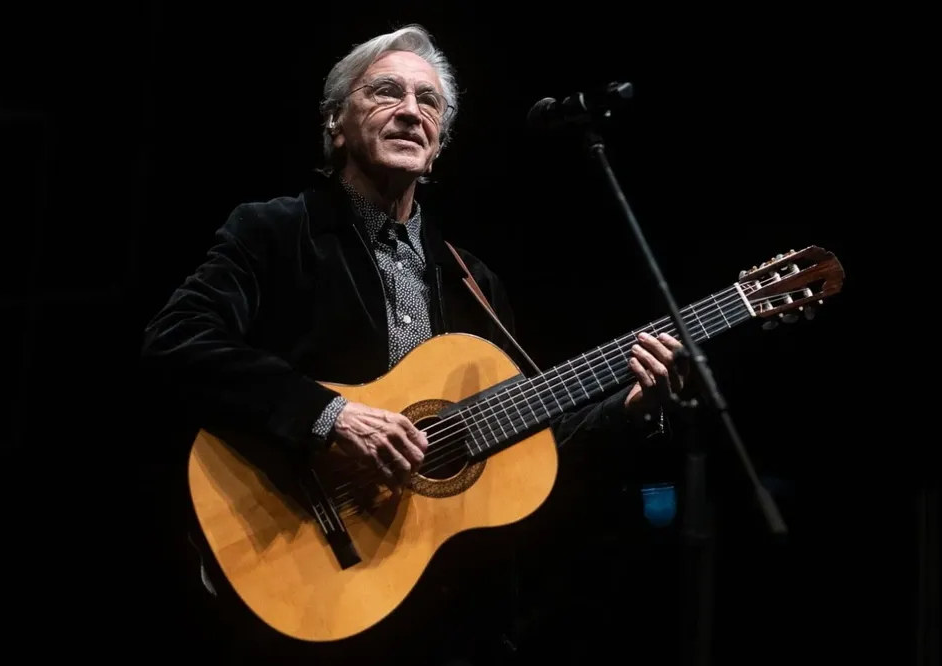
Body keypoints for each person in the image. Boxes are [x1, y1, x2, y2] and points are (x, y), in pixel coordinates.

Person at [139, 23, 689, 665]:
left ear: (439, 146)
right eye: (386, 93)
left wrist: (630, 411)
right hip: (306, 574)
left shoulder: (471, 281)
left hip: (456, 622)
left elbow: (526, 449)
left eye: (428, 102)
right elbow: (176, 340)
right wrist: (330, 415)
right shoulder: (275, 232)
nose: (409, 111)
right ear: (336, 124)